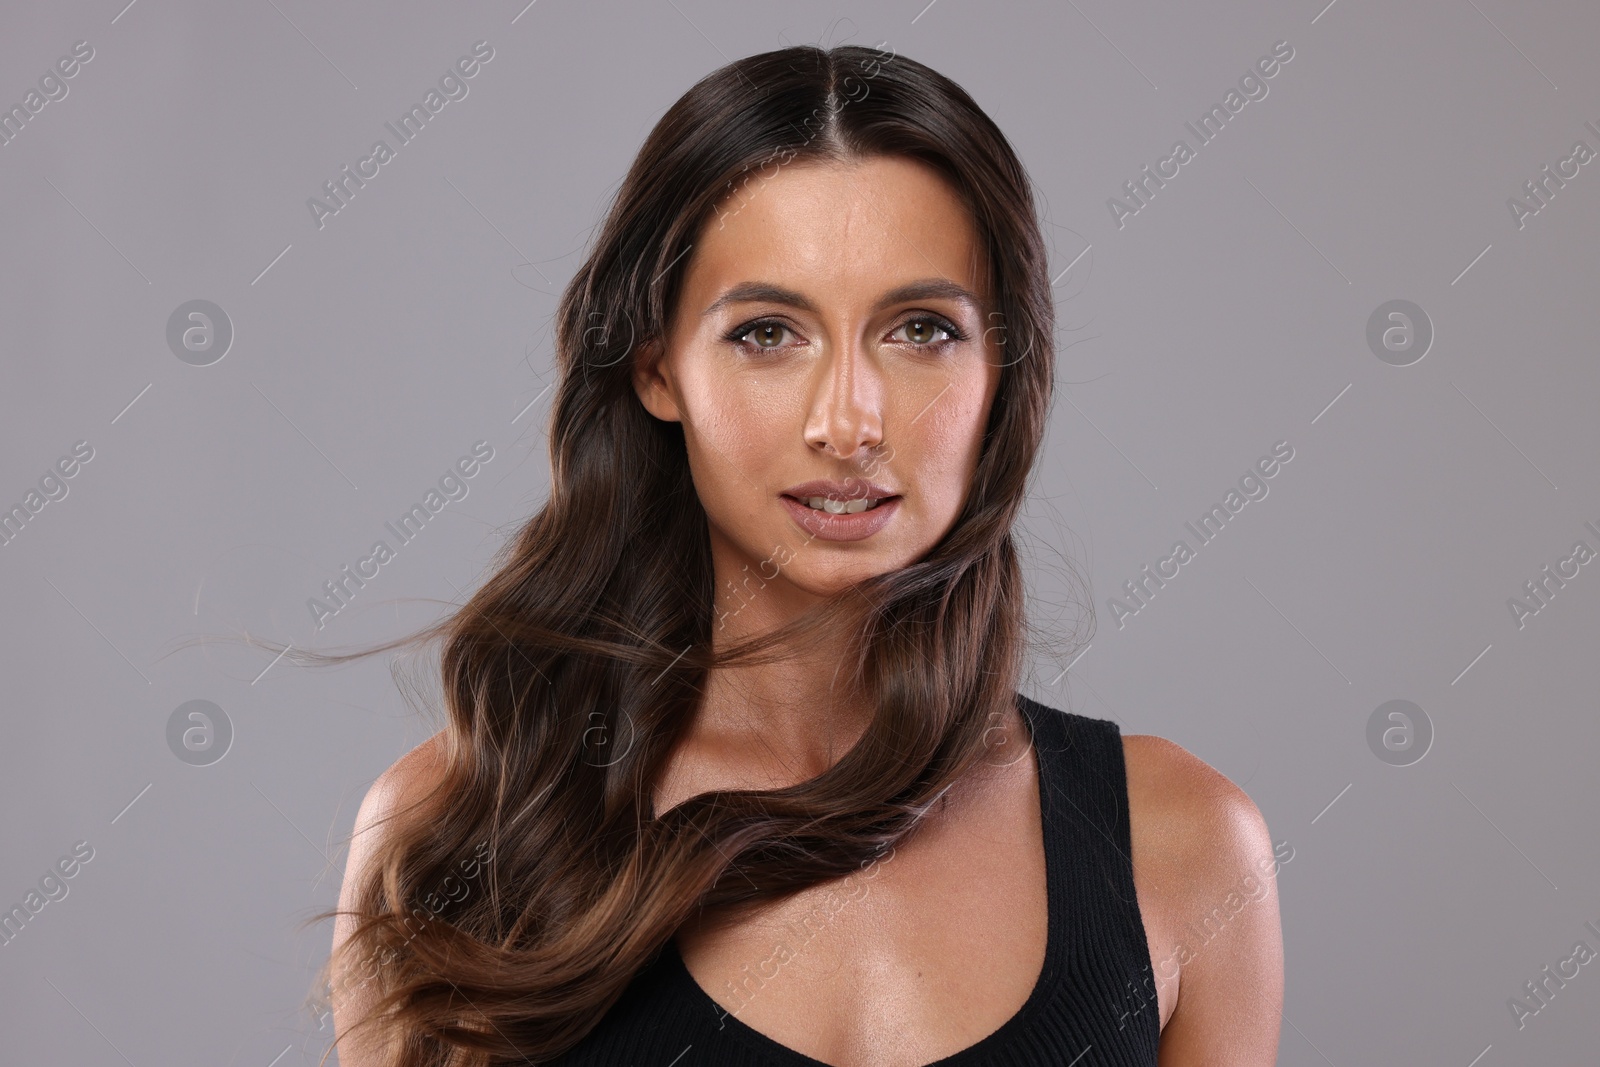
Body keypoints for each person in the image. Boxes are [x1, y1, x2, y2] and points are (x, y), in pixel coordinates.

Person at [318, 42, 1283, 1066]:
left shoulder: (1182, 845)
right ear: (657, 369)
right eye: (767, 332)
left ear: (1003, 365)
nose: (848, 421)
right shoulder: (457, 827)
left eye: (919, 329)